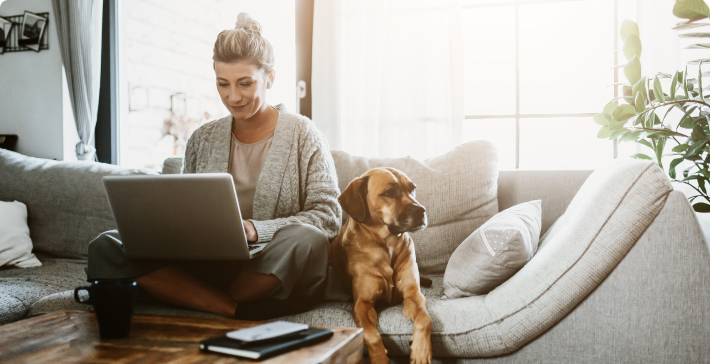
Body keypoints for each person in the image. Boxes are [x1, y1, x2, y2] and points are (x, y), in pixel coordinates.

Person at [86, 13, 342, 320]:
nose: (233, 96)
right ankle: (234, 308)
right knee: (106, 245)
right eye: (223, 84)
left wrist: (255, 230)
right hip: (208, 264)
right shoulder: (202, 138)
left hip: (270, 265)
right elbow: (184, 208)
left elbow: (328, 217)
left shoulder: (304, 134)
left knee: (307, 238)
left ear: (270, 78)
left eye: (245, 83)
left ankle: (190, 295)